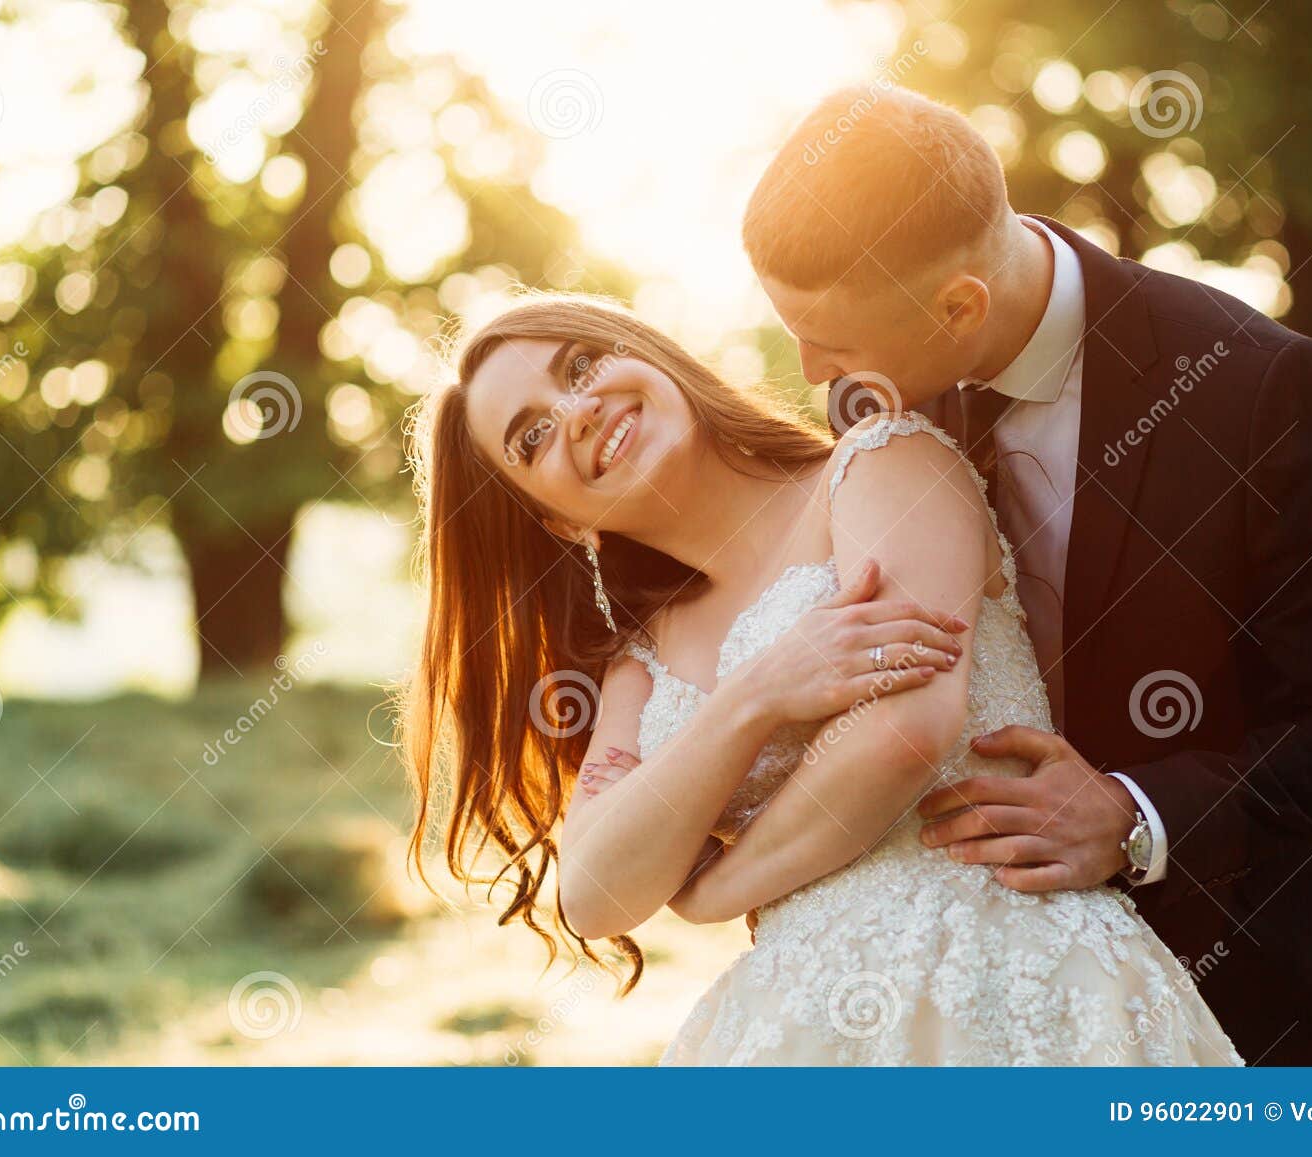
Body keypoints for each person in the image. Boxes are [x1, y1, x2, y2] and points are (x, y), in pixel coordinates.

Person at [734, 83, 1312, 1065]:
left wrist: (1131, 811)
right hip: (979, 1000)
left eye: (832, 340)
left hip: (1242, 978)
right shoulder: (877, 398)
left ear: (959, 306)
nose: (811, 368)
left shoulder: (1255, 386)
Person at [402, 295, 1241, 1064]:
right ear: (552, 517)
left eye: (581, 364)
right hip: (794, 1035)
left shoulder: (882, 467)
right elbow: (593, 892)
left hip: (1010, 973)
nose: (577, 410)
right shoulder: (639, 673)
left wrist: (712, 890)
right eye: (532, 436)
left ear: (646, 355)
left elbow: (903, 733)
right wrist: (755, 693)